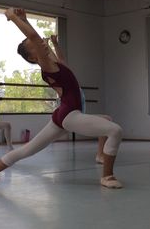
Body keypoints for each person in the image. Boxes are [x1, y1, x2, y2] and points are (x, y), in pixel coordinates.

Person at [0, 8, 124, 188]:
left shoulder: (53, 62)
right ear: (33, 57)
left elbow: (37, 39)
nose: (42, 43)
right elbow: (33, 36)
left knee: (27, 150)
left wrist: (25, 18)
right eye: (36, 45)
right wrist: (13, 17)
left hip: (63, 115)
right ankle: (107, 177)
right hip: (69, 115)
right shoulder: (46, 66)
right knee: (114, 130)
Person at [47, 35, 111, 164]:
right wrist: (47, 46)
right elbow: (55, 61)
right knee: (106, 120)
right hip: (68, 117)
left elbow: (61, 60)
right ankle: (100, 155)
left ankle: (100, 154)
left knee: (106, 120)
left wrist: (55, 44)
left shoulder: (68, 77)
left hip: (76, 115)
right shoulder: (60, 82)